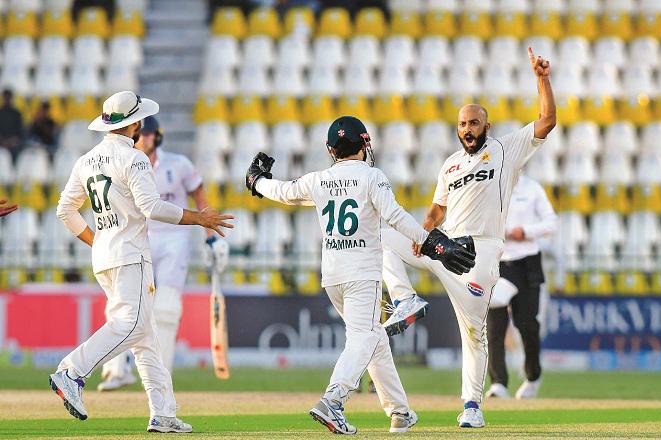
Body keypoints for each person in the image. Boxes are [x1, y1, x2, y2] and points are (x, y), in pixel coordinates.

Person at [245, 116, 476, 434]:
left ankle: (399, 411)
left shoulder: (320, 179)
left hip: (332, 275)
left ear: (331, 149)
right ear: (365, 144)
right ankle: (333, 400)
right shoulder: (372, 177)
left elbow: (284, 191)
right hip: (362, 273)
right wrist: (435, 243)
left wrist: (256, 181)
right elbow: (395, 216)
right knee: (364, 337)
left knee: (375, 337)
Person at [380, 47, 556, 428]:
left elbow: (546, 120)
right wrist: (421, 233)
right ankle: (404, 298)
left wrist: (542, 79)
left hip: (481, 252)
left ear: (486, 127)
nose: (468, 129)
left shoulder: (505, 150)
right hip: (444, 245)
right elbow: (436, 209)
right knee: (384, 237)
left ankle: (472, 408)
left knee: (474, 333)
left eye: (474, 123)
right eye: (462, 124)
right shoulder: (450, 164)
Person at [51, 91, 235, 433]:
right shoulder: (134, 159)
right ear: (133, 123)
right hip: (130, 255)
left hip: (105, 256)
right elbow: (153, 208)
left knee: (145, 337)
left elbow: (65, 210)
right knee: (133, 327)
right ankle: (72, 372)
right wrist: (200, 218)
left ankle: (163, 412)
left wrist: (96, 241)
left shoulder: (86, 160)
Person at [97, 116, 229, 390]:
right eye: (140, 134)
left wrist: (211, 239)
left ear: (158, 136)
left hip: (174, 240)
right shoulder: (123, 163)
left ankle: (161, 379)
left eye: (149, 134)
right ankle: (116, 371)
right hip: (138, 237)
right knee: (124, 303)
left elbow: (200, 198)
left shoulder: (178, 165)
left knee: (166, 308)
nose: (144, 139)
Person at [485, 175, 557, 400]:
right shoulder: (489, 186)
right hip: (497, 263)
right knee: (494, 326)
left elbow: (551, 223)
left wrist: (524, 231)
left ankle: (532, 377)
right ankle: (498, 383)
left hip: (527, 263)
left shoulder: (533, 187)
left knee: (527, 325)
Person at [0, 89, 24, 157]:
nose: (7, 100)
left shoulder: (17, 114)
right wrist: (2, 141)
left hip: (14, 145)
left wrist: (12, 141)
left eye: (9, 98)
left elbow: (20, 131)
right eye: (6, 98)